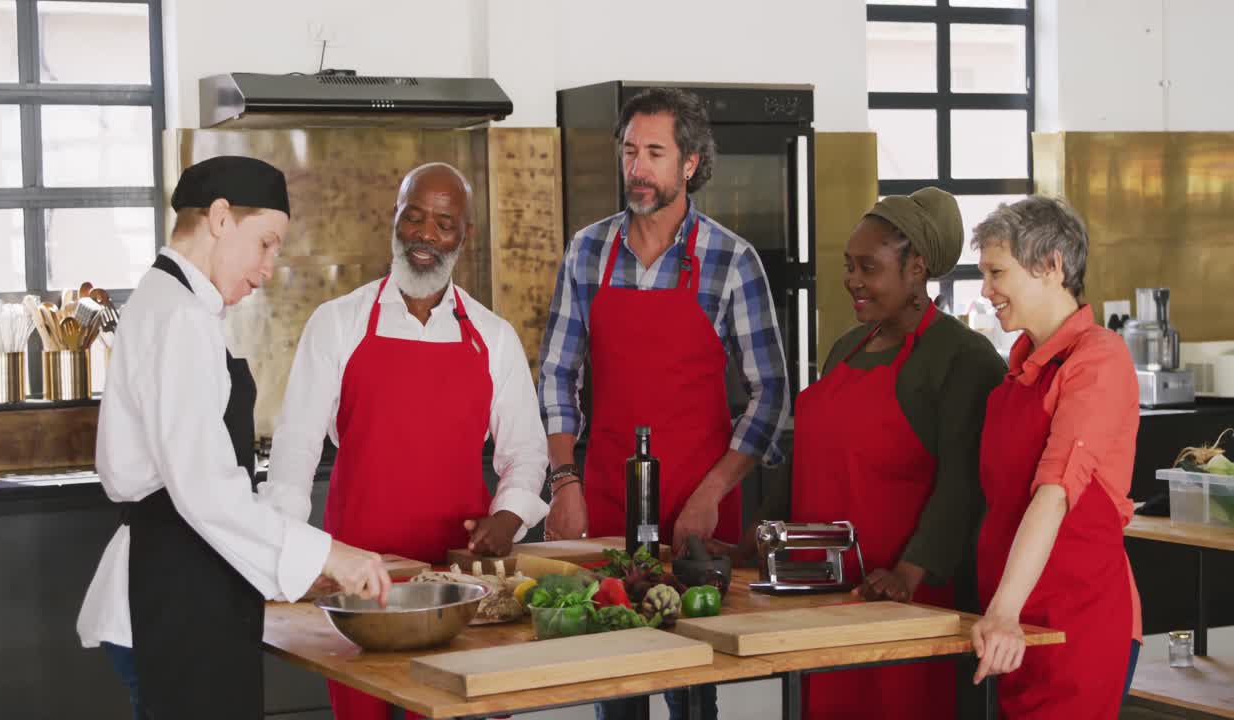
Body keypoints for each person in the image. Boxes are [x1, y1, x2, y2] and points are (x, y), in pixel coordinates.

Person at [77, 155, 391, 720]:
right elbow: (205, 491)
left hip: (179, 586)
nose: (270, 268)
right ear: (220, 218)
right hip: (176, 592)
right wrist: (331, 554)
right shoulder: (181, 319)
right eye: (266, 243)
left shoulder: (167, 302)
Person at [537, 87, 789, 720]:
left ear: (691, 164)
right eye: (629, 152)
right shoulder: (587, 252)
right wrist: (565, 480)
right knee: (614, 678)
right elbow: (558, 373)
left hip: (696, 509)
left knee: (689, 684)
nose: (637, 168)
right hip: (607, 499)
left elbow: (771, 392)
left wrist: (712, 494)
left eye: (654, 152)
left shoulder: (731, 261)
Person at [264, 162, 550, 720]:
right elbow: (295, 452)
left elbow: (526, 453)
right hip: (356, 580)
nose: (425, 235)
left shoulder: (492, 336)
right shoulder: (338, 322)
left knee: (457, 708)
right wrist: (290, 559)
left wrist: (509, 516)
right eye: (413, 217)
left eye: (444, 224)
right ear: (394, 220)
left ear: (463, 238)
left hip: (459, 586)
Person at [783, 187, 1005, 719]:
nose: (852, 280)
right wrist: (755, 539)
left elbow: (964, 479)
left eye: (869, 267)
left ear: (916, 270)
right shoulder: (845, 348)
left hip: (905, 605)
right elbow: (807, 458)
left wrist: (911, 571)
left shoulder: (963, 357)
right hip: (822, 598)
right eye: (848, 266)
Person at [969, 196, 1142, 718]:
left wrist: (1003, 611)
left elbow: (1054, 494)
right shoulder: (1017, 379)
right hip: (1016, 628)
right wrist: (1001, 613)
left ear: (1051, 265)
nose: (986, 290)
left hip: (1079, 624)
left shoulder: (1098, 359)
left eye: (997, 272)